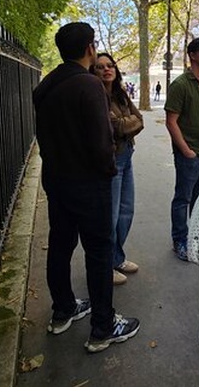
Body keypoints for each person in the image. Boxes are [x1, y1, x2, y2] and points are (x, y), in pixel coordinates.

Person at [32, 22, 139, 352]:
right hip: (88, 183)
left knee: (61, 245)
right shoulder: (89, 85)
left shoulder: (46, 85)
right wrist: (107, 169)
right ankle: (103, 327)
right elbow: (100, 140)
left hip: (57, 179)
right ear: (90, 48)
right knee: (98, 251)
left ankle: (63, 310)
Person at [165, 37, 199, 261]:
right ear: (192, 55)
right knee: (183, 198)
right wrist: (186, 150)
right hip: (191, 154)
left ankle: (196, 238)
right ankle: (180, 240)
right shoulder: (180, 85)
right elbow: (171, 121)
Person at [95, 52, 144, 286]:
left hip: (127, 155)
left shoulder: (120, 93)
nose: (107, 70)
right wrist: (127, 125)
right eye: (100, 67)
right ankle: (105, 266)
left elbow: (139, 119)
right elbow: (115, 128)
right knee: (110, 217)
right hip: (112, 161)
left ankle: (116, 258)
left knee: (126, 211)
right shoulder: (97, 96)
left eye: (110, 65)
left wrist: (126, 125)